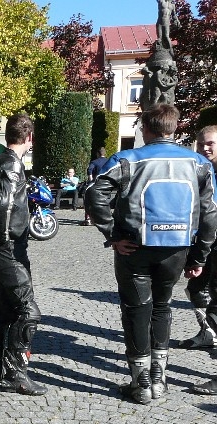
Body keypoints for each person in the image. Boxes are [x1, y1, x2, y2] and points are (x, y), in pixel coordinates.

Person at [85, 104, 217, 404]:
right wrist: (199, 257)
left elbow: (94, 194)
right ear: (175, 128)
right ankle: (159, 377)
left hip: (135, 247)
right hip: (177, 247)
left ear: (145, 129)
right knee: (162, 307)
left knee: (136, 310)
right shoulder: (198, 163)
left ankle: (141, 381)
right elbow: (210, 214)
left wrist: (113, 235)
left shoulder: (127, 159)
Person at [0, 112, 46, 395]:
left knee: (1, 306)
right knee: (28, 311)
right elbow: (4, 202)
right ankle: (16, 374)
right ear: (29, 137)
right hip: (7, 247)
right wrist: (3, 236)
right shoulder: (12, 165)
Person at [179, 126, 217, 351]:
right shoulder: (199, 169)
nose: (204, 148)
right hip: (205, 240)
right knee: (195, 288)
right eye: (201, 144)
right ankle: (208, 333)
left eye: (210, 143)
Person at [83, 148, 109, 226]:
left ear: (98, 154)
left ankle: (88, 219)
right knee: (103, 202)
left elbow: (89, 170)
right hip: (106, 184)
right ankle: (102, 219)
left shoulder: (94, 162)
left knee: (89, 200)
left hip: (96, 183)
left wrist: (91, 181)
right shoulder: (109, 161)